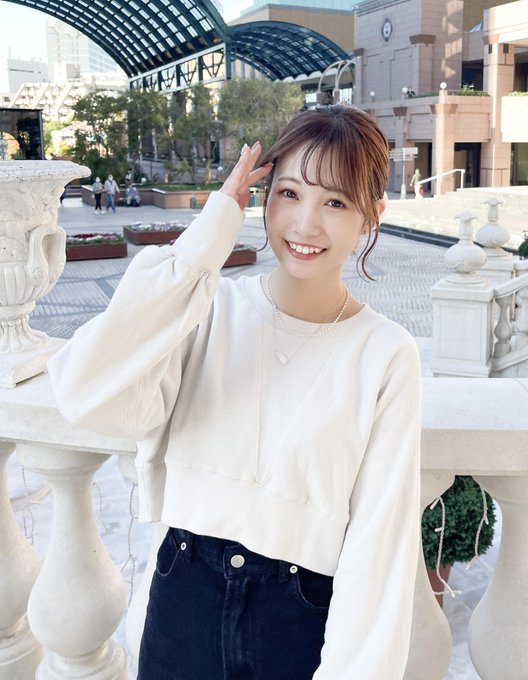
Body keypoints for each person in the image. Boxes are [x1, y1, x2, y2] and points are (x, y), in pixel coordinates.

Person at [48, 104, 422, 680]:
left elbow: (380, 544)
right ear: (262, 196)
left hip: (299, 623)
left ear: (372, 215)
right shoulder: (210, 309)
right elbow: (85, 390)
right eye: (289, 193)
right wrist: (207, 239)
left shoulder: (385, 353)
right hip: (182, 599)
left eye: (336, 202)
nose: (305, 224)